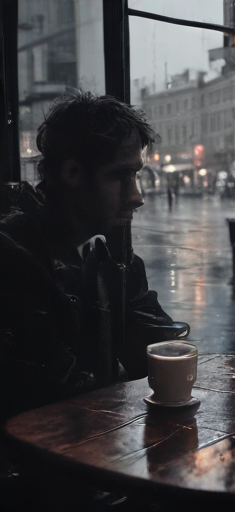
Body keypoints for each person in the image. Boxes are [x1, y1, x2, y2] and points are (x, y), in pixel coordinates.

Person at [0, 90, 189, 421]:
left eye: (136, 174)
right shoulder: (16, 257)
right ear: (72, 173)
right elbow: (59, 394)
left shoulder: (108, 257)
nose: (136, 196)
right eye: (119, 175)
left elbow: (159, 347)